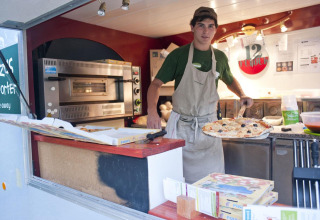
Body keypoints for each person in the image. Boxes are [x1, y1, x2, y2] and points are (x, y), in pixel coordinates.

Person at [147, 6, 253, 184]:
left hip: (209, 128)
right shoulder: (178, 55)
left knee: (211, 181)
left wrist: (242, 94)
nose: (206, 31)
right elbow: (155, 84)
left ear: (215, 29)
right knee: (176, 179)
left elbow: (229, 79)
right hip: (180, 127)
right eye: (201, 25)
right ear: (192, 27)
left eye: (211, 26)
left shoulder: (219, 57)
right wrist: (152, 111)